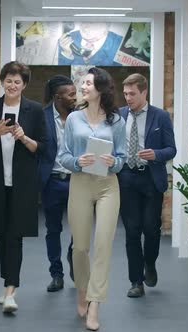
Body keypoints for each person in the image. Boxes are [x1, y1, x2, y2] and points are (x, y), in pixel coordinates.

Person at [0, 61, 46, 313]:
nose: (12, 85)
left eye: (17, 81)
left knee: (15, 235)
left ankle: (10, 290)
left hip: (22, 183)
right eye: (8, 80)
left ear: (24, 85)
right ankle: (7, 282)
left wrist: (23, 137)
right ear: (2, 81)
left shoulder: (35, 110)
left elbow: (42, 148)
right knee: (2, 235)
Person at [58, 67, 127, 331]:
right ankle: (82, 290)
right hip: (81, 184)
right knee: (81, 247)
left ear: (100, 88)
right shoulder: (74, 119)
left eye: (87, 83)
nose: (83, 86)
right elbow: (62, 155)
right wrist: (77, 161)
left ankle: (95, 303)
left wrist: (114, 161)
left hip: (108, 185)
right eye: (82, 83)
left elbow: (122, 158)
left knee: (103, 246)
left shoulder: (116, 121)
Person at [117, 73, 176, 298]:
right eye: (125, 94)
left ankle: (149, 264)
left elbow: (171, 149)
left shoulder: (160, 116)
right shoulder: (119, 115)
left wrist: (156, 154)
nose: (128, 98)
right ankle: (136, 281)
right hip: (127, 178)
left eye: (132, 94)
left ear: (144, 92)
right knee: (132, 231)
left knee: (151, 229)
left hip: (151, 178)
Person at [38, 75, 77, 292]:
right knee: (53, 230)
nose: (75, 97)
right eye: (70, 94)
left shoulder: (80, 117)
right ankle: (56, 274)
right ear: (57, 97)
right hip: (52, 182)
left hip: (77, 182)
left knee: (78, 229)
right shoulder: (41, 117)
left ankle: (73, 254)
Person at [58, 22, 123, 66]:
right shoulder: (66, 40)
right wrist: (66, 54)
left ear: (107, 25)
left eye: (94, 23)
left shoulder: (121, 45)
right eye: (85, 21)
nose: (86, 27)